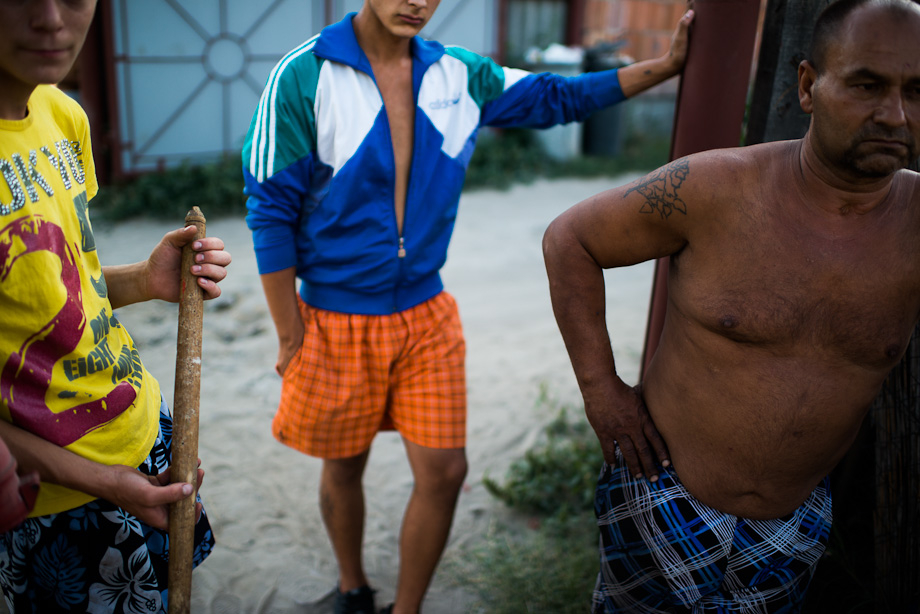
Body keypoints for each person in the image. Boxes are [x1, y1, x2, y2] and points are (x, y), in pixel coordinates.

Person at [242, 0, 693, 612]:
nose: (417, 2)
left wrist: (664, 67)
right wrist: (290, 332)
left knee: (446, 472)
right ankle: (351, 589)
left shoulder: (459, 73)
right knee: (344, 467)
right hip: (334, 319)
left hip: (427, 315)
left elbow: (557, 97)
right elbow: (270, 208)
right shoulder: (304, 75)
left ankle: (406, 608)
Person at [542, 0, 920, 611]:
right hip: (660, 498)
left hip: (794, 525)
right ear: (808, 86)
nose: (895, 115)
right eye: (867, 84)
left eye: (918, 90)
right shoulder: (714, 189)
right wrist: (600, 389)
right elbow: (571, 240)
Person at [0, 0, 232, 611]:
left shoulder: (60, 112)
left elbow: (58, 288)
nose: (51, 19)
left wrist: (145, 279)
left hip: (139, 422)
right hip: (52, 492)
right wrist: (111, 484)